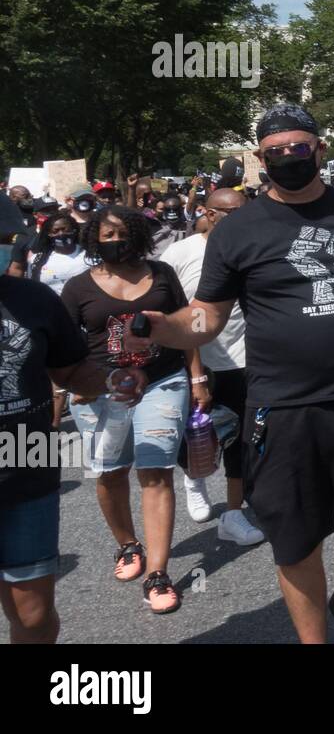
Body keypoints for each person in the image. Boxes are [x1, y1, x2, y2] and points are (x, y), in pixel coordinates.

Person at [141, 103, 334, 643]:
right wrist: (166, 327)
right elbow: (207, 317)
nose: (287, 158)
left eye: (298, 148)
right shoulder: (238, 231)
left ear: (320, 149)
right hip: (283, 408)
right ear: (259, 159)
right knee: (297, 541)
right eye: (274, 152)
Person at [1, 192, 149, 643]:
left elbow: (69, 369)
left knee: (34, 615)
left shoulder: (33, 299)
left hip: (27, 466)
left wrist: (112, 381)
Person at [60, 205, 199, 614]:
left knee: (155, 471)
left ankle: (158, 572)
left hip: (162, 381)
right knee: (110, 472)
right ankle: (127, 544)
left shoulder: (162, 275)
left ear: (137, 234)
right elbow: (65, 347)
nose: (113, 241)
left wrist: (197, 378)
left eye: (120, 233)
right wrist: (75, 385)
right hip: (100, 392)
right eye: (104, 235)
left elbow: (186, 326)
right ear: (92, 240)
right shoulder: (77, 287)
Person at [158, 188, 264, 546]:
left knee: (245, 438)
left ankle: (233, 515)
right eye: (226, 212)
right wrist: (194, 374)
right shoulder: (180, 253)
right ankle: (194, 479)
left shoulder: (258, 245)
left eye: (242, 212)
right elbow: (170, 305)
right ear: (206, 212)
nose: (235, 219)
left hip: (247, 359)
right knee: (196, 435)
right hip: (197, 362)